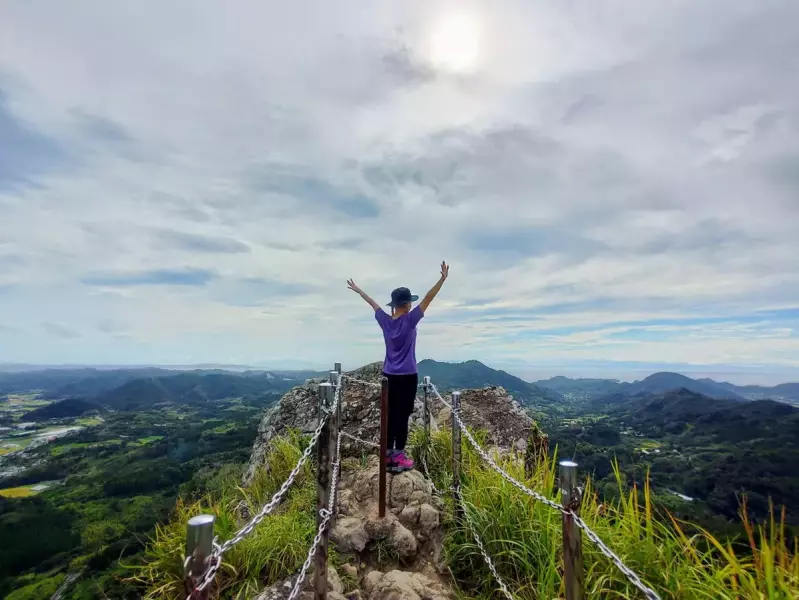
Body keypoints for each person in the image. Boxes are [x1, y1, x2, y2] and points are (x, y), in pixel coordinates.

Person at [347, 261, 449, 472]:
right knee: (403, 416)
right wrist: (442, 279)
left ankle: (386, 456)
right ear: (407, 305)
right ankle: (398, 458)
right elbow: (429, 298)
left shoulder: (385, 321)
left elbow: (373, 303)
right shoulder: (410, 321)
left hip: (388, 375)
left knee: (390, 414)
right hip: (408, 376)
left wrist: (358, 290)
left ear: (394, 305)